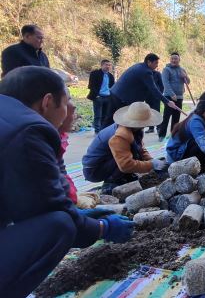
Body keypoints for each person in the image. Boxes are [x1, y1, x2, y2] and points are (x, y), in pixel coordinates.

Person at [0, 67, 133, 297]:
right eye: (68, 101)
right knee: (60, 225)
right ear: (47, 102)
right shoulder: (30, 130)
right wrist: (103, 228)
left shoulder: (9, 117)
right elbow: (50, 207)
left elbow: (31, 199)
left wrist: (79, 215)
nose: (71, 109)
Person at [82, 102, 167, 194]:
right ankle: (111, 184)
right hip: (95, 169)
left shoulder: (135, 129)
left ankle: (124, 177)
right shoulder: (120, 136)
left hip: (108, 162)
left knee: (135, 153)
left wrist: (151, 160)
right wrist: (151, 165)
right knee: (131, 156)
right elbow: (126, 165)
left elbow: (141, 149)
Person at [101, 53, 175, 129]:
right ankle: (106, 137)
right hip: (121, 97)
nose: (157, 65)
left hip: (116, 93)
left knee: (110, 119)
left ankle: (104, 136)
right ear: (149, 62)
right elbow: (153, 89)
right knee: (120, 120)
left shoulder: (139, 66)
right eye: (155, 63)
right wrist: (167, 102)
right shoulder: (145, 71)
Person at [158, 52, 190, 141]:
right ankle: (162, 135)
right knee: (166, 116)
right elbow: (166, 83)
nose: (174, 60)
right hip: (168, 97)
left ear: (179, 60)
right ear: (170, 59)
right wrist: (172, 94)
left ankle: (173, 134)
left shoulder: (182, 70)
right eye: (172, 58)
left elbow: (187, 82)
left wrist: (186, 76)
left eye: (176, 58)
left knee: (176, 117)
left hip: (179, 97)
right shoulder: (166, 70)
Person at [87, 59, 115, 134]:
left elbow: (112, 87)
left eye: (109, 65)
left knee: (105, 115)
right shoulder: (95, 73)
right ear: (102, 65)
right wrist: (96, 95)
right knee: (98, 115)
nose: (108, 66)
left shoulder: (111, 76)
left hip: (108, 97)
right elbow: (91, 86)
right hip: (98, 97)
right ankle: (97, 131)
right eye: (106, 65)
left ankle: (103, 130)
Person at [146, 68, 164, 134]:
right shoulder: (146, 74)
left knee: (157, 112)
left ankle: (159, 128)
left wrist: (160, 94)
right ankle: (151, 128)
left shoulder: (157, 74)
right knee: (149, 112)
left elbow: (162, 86)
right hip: (147, 96)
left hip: (156, 97)